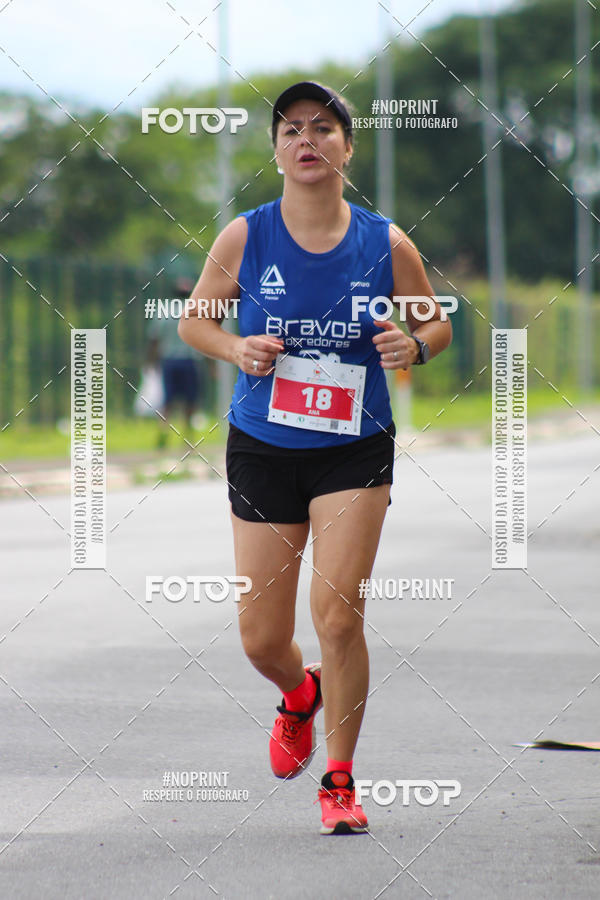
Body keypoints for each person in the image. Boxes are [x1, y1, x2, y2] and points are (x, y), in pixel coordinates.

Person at [179, 81, 452, 834]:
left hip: (354, 448)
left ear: (346, 149)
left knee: (338, 616)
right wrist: (236, 344)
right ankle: (300, 694)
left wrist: (414, 344)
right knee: (262, 638)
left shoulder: (386, 242)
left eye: (324, 128)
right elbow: (194, 323)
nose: (308, 139)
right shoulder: (246, 236)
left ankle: (338, 781)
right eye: (292, 129)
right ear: (275, 151)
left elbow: (435, 326)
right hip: (263, 444)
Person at [148, 276, 208, 447]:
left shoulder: (164, 310)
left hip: (169, 362)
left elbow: (154, 339)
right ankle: (188, 439)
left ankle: (163, 433)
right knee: (190, 402)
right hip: (190, 361)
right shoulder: (195, 311)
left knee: (168, 401)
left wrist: (151, 362)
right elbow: (203, 339)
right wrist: (211, 365)